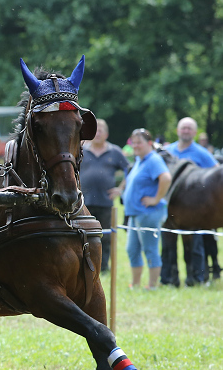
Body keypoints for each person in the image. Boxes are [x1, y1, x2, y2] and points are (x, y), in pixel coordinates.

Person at [161, 117, 219, 286]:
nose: (186, 131)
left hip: (194, 209)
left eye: (189, 128)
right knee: (168, 244)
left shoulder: (202, 153)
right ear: (178, 130)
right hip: (170, 205)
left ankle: (197, 277)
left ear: (194, 132)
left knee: (195, 245)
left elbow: (216, 173)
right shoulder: (168, 151)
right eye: (183, 128)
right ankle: (170, 277)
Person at [122, 129, 171, 290]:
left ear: (149, 143)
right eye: (133, 142)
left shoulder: (153, 159)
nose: (135, 146)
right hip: (135, 213)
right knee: (132, 249)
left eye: (139, 143)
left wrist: (156, 199)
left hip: (149, 213)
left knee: (150, 249)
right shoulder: (139, 160)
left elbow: (166, 178)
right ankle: (135, 284)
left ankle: (152, 285)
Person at [79, 119, 129, 273]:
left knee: (105, 236)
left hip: (105, 202)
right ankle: (84, 265)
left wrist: (120, 189)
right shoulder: (81, 150)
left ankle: (104, 266)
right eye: (95, 131)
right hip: (83, 202)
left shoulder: (114, 152)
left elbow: (129, 170)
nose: (98, 133)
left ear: (106, 134)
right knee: (82, 235)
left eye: (101, 131)